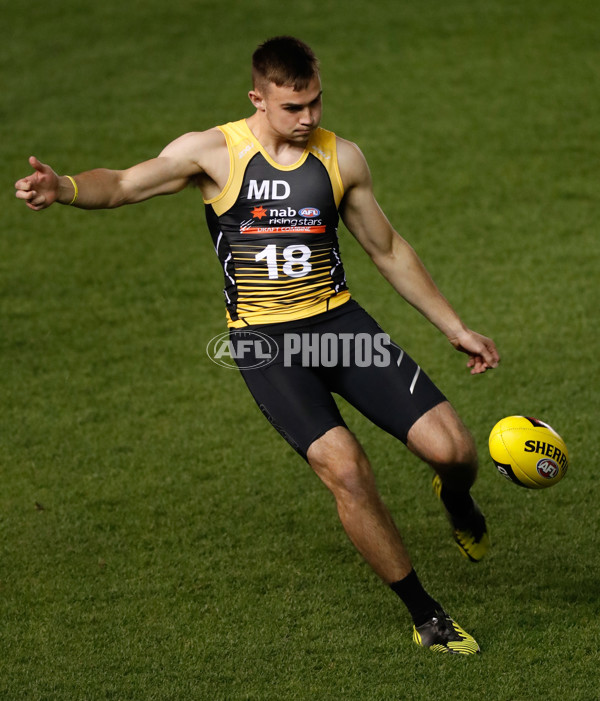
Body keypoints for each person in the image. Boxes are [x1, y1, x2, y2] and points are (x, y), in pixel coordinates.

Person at [15, 36, 499, 655]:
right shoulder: (213, 153)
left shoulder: (341, 159)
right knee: (346, 470)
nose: (309, 119)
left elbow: (387, 249)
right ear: (258, 99)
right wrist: (67, 187)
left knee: (455, 451)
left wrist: (454, 327)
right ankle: (426, 614)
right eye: (293, 107)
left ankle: (454, 499)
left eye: (316, 103)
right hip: (266, 345)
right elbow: (128, 183)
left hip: (338, 329)